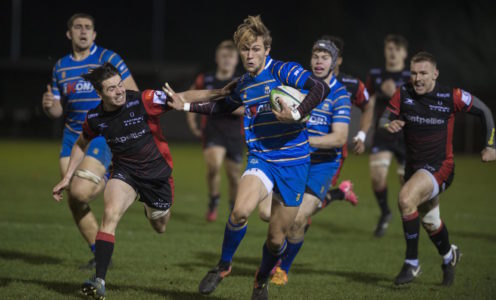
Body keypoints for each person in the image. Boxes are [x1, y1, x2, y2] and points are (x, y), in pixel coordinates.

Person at [165, 15, 330, 300]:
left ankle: (260, 280)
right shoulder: (243, 84)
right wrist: (186, 106)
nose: (249, 55)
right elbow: (221, 107)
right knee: (240, 211)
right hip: (261, 158)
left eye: (255, 48)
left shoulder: (284, 71)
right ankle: (223, 266)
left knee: (277, 239)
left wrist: (297, 112)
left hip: (294, 163)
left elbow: (320, 87)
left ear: (267, 49)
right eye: (244, 49)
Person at [52, 63, 233, 298]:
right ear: (99, 94)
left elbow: (182, 96)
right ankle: (99, 281)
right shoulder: (96, 117)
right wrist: (67, 177)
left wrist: (219, 92)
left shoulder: (143, 100)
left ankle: (150, 208)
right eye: (111, 89)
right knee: (110, 215)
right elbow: (81, 142)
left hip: (157, 178)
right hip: (125, 173)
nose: (119, 91)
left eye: (120, 85)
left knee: (160, 226)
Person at [379, 51, 495, 285]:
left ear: (435, 74)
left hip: (440, 167)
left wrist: (491, 145)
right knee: (430, 221)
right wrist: (388, 124)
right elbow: (383, 120)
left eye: (423, 73)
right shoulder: (403, 93)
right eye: (414, 73)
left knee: (405, 199)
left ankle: (412, 264)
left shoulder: (451, 96)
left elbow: (484, 111)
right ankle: (449, 256)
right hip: (414, 168)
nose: (418, 78)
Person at [41, 13, 139, 269]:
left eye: (88, 28)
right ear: (69, 33)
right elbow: (57, 111)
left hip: (103, 134)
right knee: (75, 198)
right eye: (78, 27)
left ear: (94, 34)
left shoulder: (108, 59)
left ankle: (109, 173)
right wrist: (49, 107)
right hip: (73, 137)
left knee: (82, 190)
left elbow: (133, 93)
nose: (83, 32)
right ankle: (99, 254)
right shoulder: (61, 67)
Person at [266, 38, 351, 286]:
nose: (319, 61)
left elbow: (340, 137)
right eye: (316, 56)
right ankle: (336, 196)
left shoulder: (340, 95)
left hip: (322, 165)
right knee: (266, 215)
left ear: (334, 63)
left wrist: (307, 140)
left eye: (325, 57)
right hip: (293, 159)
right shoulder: (299, 86)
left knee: (297, 220)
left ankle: (283, 268)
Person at [186, 40, 244, 221]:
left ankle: (233, 207)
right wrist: (193, 123)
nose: (227, 60)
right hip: (212, 130)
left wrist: (223, 107)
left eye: (231, 57)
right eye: (224, 56)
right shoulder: (206, 79)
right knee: (213, 166)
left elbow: (247, 108)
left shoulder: (241, 81)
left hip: (235, 133)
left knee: (234, 176)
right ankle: (213, 202)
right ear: (217, 58)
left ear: (236, 60)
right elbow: (190, 97)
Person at [366, 34, 411, 237]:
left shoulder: (413, 76)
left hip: (407, 136)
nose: (392, 53)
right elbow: (367, 104)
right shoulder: (375, 75)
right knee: (377, 178)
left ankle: (410, 222)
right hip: (383, 134)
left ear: (404, 53)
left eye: (397, 49)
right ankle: (385, 212)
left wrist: (396, 93)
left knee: (407, 188)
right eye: (389, 48)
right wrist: (361, 133)